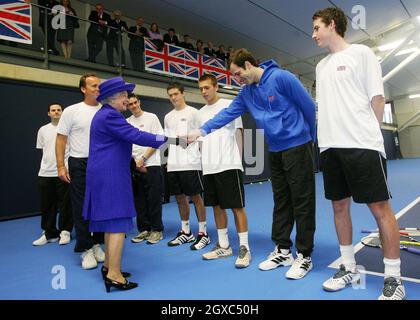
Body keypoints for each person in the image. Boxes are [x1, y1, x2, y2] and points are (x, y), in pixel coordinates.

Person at [188, 48, 317, 279]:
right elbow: (227, 114)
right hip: (275, 149)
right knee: (282, 201)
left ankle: (305, 255)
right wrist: (202, 130)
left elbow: (308, 106)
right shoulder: (246, 93)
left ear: (248, 64)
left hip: (298, 145)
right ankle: (283, 250)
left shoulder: (281, 77)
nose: (237, 79)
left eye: (238, 74)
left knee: (303, 202)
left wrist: (309, 137)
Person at [312, 7, 406, 300]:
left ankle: (393, 278)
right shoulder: (320, 66)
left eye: (317, 27)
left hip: (362, 146)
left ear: (332, 24)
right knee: (339, 207)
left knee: (380, 210)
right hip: (330, 147)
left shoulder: (362, 54)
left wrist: (368, 134)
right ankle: (348, 267)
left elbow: (376, 98)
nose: (313, 34)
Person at [82, 77, 181, 292]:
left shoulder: (104, 115)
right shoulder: (110, 116)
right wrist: (173, 139)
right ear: (114, 97)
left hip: (105, 173)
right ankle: (115, 276)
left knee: (110, 223)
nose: (128, 99)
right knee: (117, 223)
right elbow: (136, 135)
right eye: (125, 95)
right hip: (111, 176)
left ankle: (109, 267)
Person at [196, 74, 251, 268]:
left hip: (229, 164)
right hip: (209, 168)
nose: (203, 92)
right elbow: (201, 141)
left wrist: (239, 161)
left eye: (206, 87)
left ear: (216, 87)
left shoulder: (230, 104)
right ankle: (224, 245)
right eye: (201, 88)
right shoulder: (200, 113)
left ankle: (244, 247)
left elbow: (238, 133)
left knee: (237, 207)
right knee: (216, 207)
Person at [56, 73, 105, 270]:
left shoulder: (106, 110)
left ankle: (96, 243)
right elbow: (60, 139)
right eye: (93, 85)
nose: (97, 88)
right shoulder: (71, 111)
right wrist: (61, 165)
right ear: (83, 89)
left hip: (102, 163)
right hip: (79, 163)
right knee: (82, 207)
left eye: (99, 85)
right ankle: (85, 248)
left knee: (100, 207)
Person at [165, 82, 210, 250]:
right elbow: (168, 139)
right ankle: (186, 232)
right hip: (173, 164)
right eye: (170, 95)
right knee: (179, 198)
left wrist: (190, 141)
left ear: (183, 94)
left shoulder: (194, 113)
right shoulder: (168, 116)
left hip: (191, 162)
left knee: (196, 197)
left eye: (176, 94)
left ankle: (203, 233)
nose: (173, 98)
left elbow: (202, 136)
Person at [127, 94, 165, 245]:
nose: (134, 106)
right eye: (130, 104)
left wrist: (143, 159)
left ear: (139, 102)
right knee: (140, 200)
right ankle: (144, 229)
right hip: (135, 166)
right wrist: (135, 163)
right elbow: (127, 144)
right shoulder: (127, 122)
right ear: (127, 106)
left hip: (152, 164)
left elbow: (159, 139)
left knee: (154, 199)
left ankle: (157, 230)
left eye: (135, 102)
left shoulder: (152, 117)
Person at [33, 104, 73, 246]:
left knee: (66, 204)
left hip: (64, 172)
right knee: (47, 205)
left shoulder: (69, 130)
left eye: (58, 110)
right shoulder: (42, 130)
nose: (56, 112)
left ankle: (65, 231)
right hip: (45, 173)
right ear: (49, 113)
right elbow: (43, 150)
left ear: (62, 113)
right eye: (53, 110)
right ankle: (49, 233)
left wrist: (65, 168)